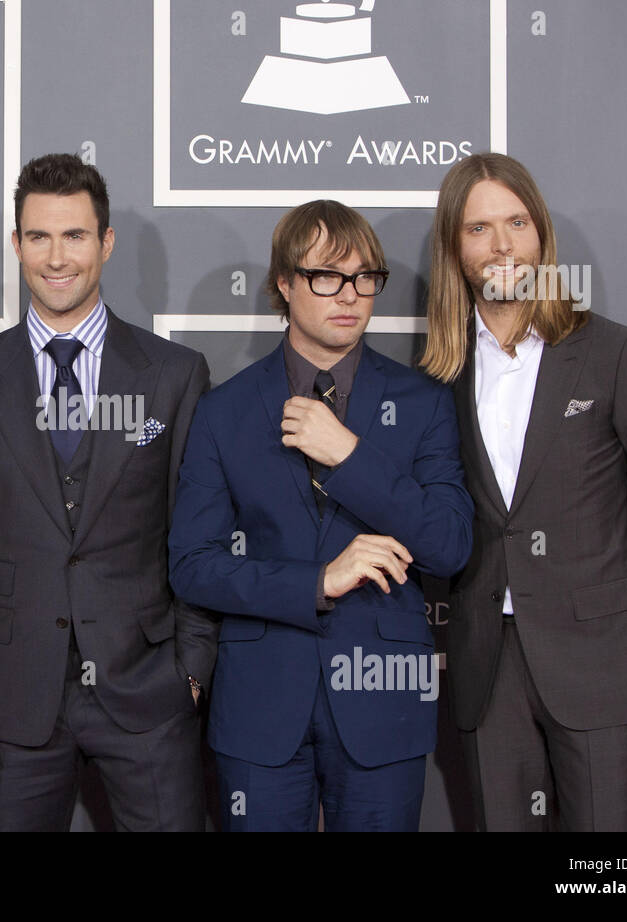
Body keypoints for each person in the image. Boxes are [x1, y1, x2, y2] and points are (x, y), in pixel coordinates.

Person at [0, 153, 217, 831]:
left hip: (147, 690)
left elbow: (197, 534)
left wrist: (191, 671)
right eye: (39, 237)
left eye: (75, 236)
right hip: (10, 697)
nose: (57, 258)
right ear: (18, 244)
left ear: (106, 243)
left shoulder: (173, 374)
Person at [168, 200, 473, 831]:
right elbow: (194, 566)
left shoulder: (422, 400)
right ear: (284, 282)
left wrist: (352, 456)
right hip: (259, 702)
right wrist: (317, 582)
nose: (351, 295)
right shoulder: (224, 410)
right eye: (326, 276)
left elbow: (449, 544)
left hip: (384, 700)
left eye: (366, 278)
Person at [422, 153, 627, 831]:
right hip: (488, 665)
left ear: (541, 234)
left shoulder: (615, 355)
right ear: (455, 251)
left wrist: (626, 627)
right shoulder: (437, 378)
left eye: (516, 221)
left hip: (602, 656)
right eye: (479, 228)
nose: (502, 244)